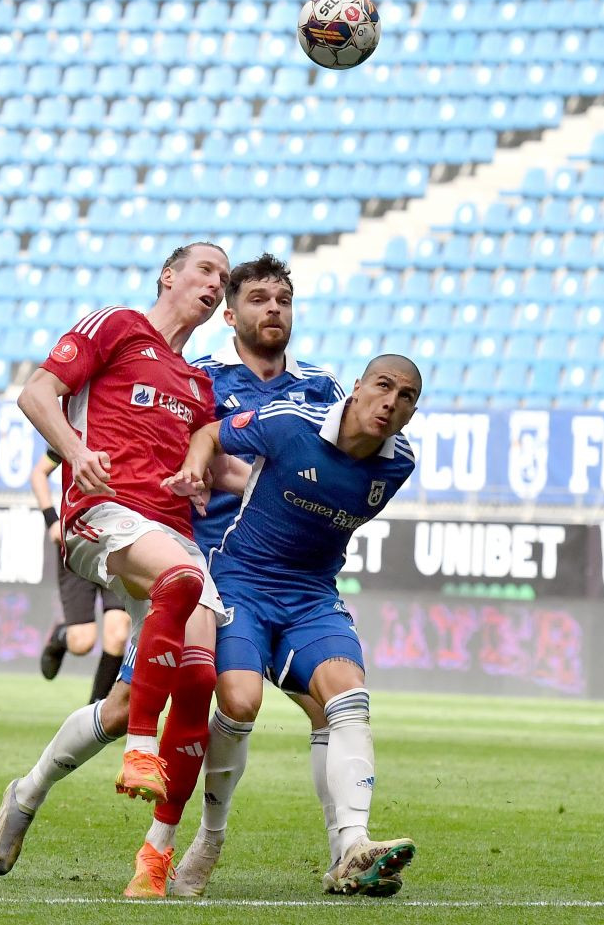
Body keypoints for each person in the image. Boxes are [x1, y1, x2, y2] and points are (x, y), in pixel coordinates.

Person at [0, 242, 231, 892]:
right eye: (206, 268)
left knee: (193, 679)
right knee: (180, 581)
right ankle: (142, 750)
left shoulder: (198, 384)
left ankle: (42, 799)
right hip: (105, 516)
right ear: (169, 275)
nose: (216, 282)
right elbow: (37, 393)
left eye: (224, 277)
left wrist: (208, 467)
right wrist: (75, 449)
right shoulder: (117, 325)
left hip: (171, 534)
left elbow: (212, 449)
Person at [164, 354, 422, 897]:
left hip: (310, 599)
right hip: (242, 584)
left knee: (348, 698)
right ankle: (209, 840)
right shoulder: (289, 422)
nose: (391, 402)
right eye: (383, 386)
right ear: (355, 388)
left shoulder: (398, 465)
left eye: (406, 397)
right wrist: (193, 468)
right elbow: (211, 432)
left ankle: (352, 846)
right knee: (238, 702)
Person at [169, 254, 345, 897]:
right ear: (230, 313)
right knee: (231, 701)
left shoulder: (323, 388)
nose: (274, 309)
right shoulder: (201, 381)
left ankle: (345, 849)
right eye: (260, 299)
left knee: (335, 707)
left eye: (284, 299)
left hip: (299, 577)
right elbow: (204, 461)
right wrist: (285, 484)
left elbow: (342, 470)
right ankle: (197, 838)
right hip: (220, 569)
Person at [31, 448, 131, 705]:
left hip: (117, 543)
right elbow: (39, 474)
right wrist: (51, 520)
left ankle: (95, 713)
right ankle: (61, 637)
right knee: (82, 642)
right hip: (77, 540)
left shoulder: (136, 427)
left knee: (118, 633)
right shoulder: (76, 430)